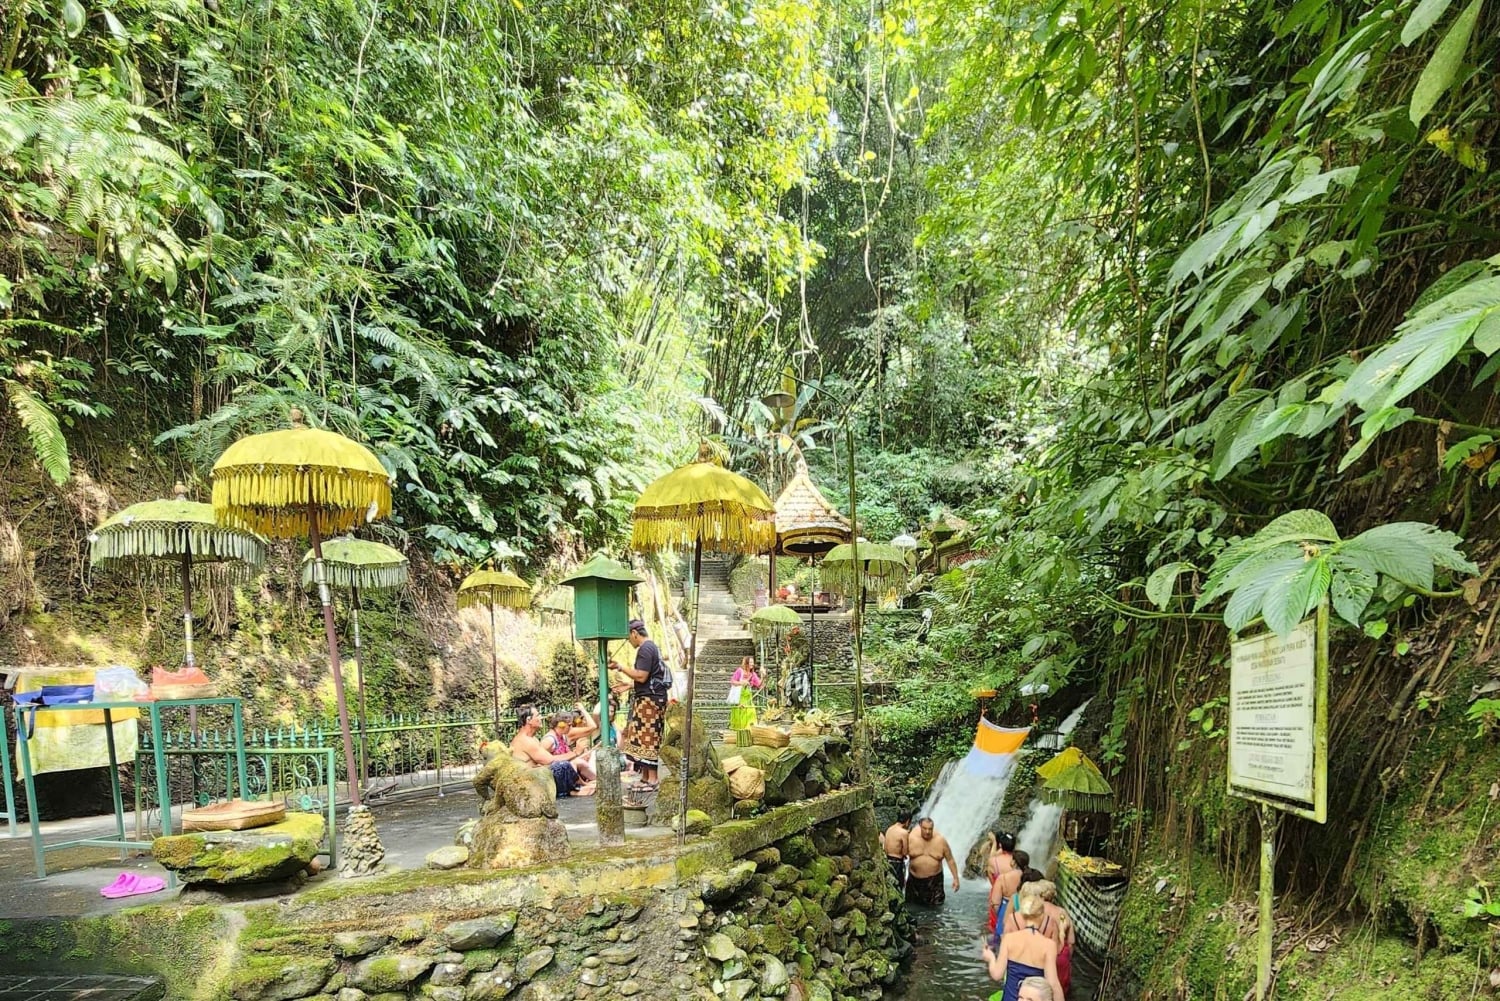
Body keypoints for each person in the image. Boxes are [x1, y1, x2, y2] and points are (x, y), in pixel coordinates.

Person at [610, 618, 670, 789]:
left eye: (628, 637)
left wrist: (621, 667)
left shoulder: (645, 649)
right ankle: (645, 777)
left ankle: (652, 779)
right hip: (649, 698)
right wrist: (629, 685)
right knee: (640, 739)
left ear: (634, 633)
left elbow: (642, 675)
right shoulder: (651, 647)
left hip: (650, 702)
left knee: (648, 738)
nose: (628, 641)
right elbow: (648, 677)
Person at [982, 893, 1065, 1001]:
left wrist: (991, 958)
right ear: (1042, 915)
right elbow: (1053, 984)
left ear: (1023, 915)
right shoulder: (1049, 945)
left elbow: (997, 975)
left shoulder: (1009, 939)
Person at [510, 706, 595, 798]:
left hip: (536, 776)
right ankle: (575, 790)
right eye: (538, 715)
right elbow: (550, 761)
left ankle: (582, 786)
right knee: (562, 766)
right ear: (529, 720)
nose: (541, 718)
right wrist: (576, 753)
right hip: (530, 782)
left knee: (566, 764)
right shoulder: (525, 740)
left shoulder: (532, 738)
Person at [1029, 880, 1075, 995]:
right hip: (1061, 957)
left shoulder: (1036, 912)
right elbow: (1071, 941)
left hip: (1041, 958)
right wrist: (1067, 958)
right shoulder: (1062, 912)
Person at [905, 817, 959, 906]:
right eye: (925, 829)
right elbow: (901, 853)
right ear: (920, 827)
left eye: (930, 829)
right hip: (914, 881)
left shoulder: (940, 841)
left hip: (934, 882)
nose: (927, 832)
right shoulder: (911, 838)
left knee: (936, 909)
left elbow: (950, 860)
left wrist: (956, 878)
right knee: (911, 907)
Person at [543, 708, 598, 783]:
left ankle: (598, 779)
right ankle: (582, 785)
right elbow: (544, 760)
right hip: (555, 773)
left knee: (579, 761)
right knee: (575, 762)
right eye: (569, 725)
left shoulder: (562, 736)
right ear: (560, 725)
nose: (571, 728)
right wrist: (576, 753)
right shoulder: (549, 740)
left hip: (564, 769)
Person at [882, 813, 914, 890]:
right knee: (899, 886)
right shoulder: (904, 833)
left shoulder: (890, 829)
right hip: (897, 863)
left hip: (887, 861)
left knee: (890, 886)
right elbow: (905, 852)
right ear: (907, 821)